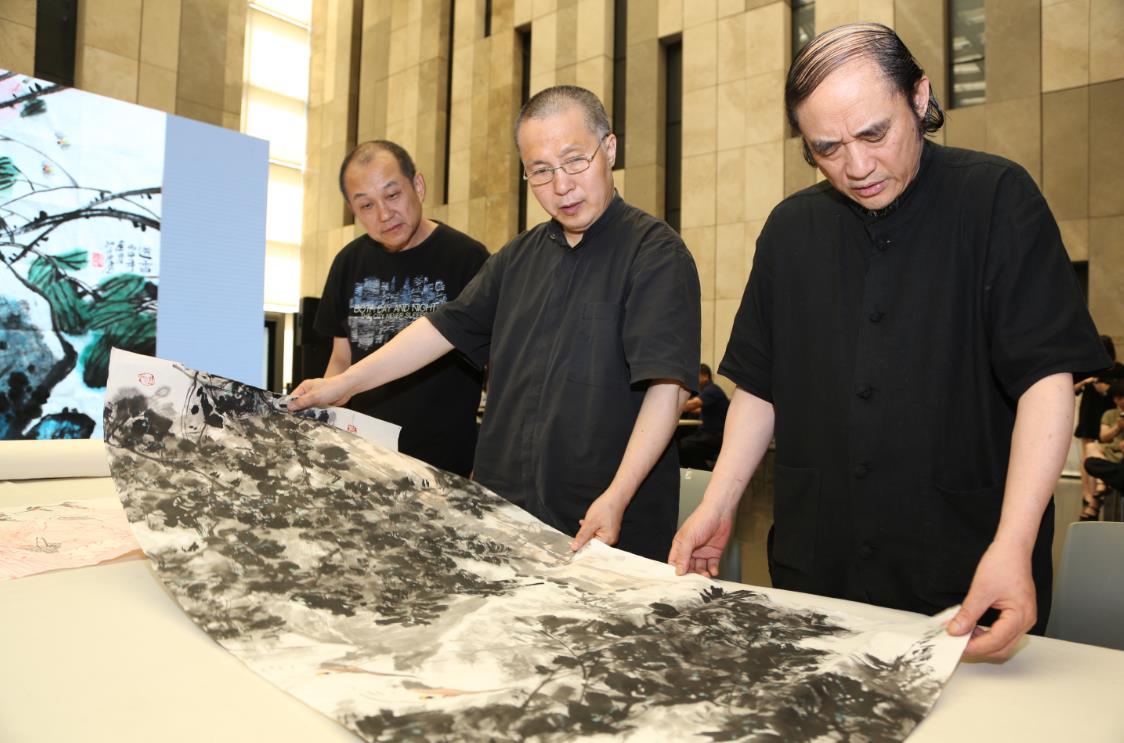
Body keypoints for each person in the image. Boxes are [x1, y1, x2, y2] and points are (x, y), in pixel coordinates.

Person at [669, 23, 1109, 660]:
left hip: (961, 566)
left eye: (874, 134)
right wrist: (718, 503)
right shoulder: (790, 230)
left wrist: (1013, 543)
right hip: (819, 566)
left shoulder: (995, 199)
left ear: (919, 97)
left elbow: (1046, 381)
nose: (856, 167)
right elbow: (760, 388)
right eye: (826, 148)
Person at [292, 86, 701, 561]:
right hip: (508, 517)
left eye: (575, 161)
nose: (561, 186)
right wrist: (342, 384)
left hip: (607, 522)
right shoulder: (517, 258)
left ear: (609, 149)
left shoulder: (655, 254)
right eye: (540, 171)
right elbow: (439, 330)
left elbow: (667, 390)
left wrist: (618, 493)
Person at [314, 140, 489, 476]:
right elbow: (341, 359)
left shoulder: (468, 259)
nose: (384, 214)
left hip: (447, 464)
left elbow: (495, 368)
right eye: (366, 205)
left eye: (393, 195)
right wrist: (324, 425)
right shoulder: (348, 263)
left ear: (418, 186)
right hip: (364, 458)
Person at [1074, 336, 1123, 517]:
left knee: (1105, 447)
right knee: (1087, 451)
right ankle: (1087, 493)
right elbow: (1074, 388)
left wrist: (1106, 387)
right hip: (1089, 411)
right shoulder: (1086, 367)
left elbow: (1119, 389)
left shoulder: (1117, 368)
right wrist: (1086, 381)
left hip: (1106, 411)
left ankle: (1100, 486)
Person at [1082, 380, 1124, 508]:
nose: (1119, 401)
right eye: (1117, 398)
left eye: (1122, 397)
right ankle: (1102, 484)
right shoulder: (1110, 414)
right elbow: (1103, 437)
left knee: (1099, 469)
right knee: (1091, 451)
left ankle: (1094, 504)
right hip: (1112, 452)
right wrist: (1117, 427)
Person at [679, 364, 729, 470]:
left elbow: (691, 405)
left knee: (683, 445)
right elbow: (698, 409)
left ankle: (704, 472)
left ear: (705, 376)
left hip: (715, 435)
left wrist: (669, 407)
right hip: (709, 434)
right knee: (683, 445)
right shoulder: (709, 391)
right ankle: (702, 470)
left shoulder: (712, 390)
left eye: (695, 376)